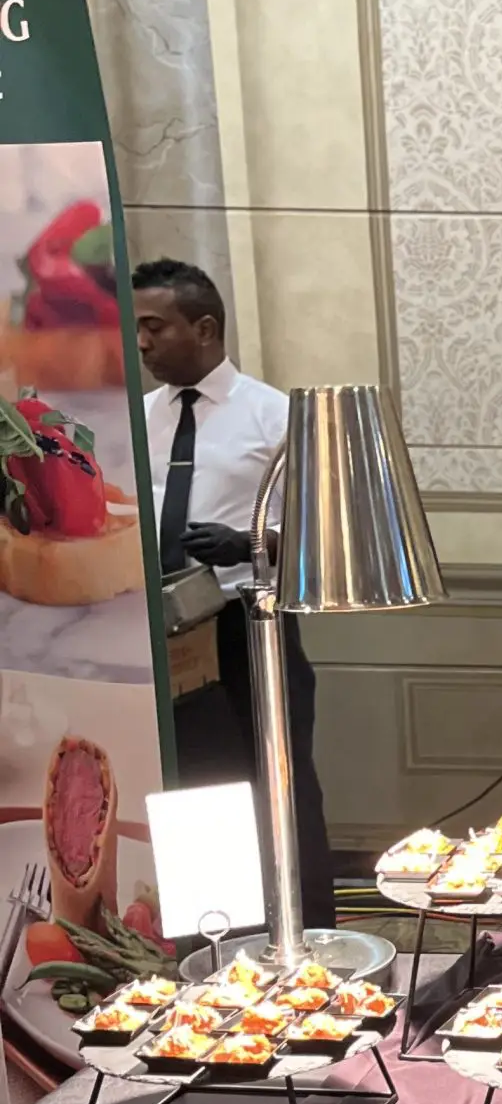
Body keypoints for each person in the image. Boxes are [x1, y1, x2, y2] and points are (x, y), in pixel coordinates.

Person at [133, 259, 335, 926]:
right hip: (164, 635)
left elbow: (325, 533)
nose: (141, 342)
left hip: (250, 627)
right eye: (135, 327)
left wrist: (255, 546)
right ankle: (215, 936)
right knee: (195, 791)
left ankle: (303, 934)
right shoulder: (136, 422)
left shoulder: (274, 416)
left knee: (276, 785)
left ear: (206, 327)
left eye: (154, 326)